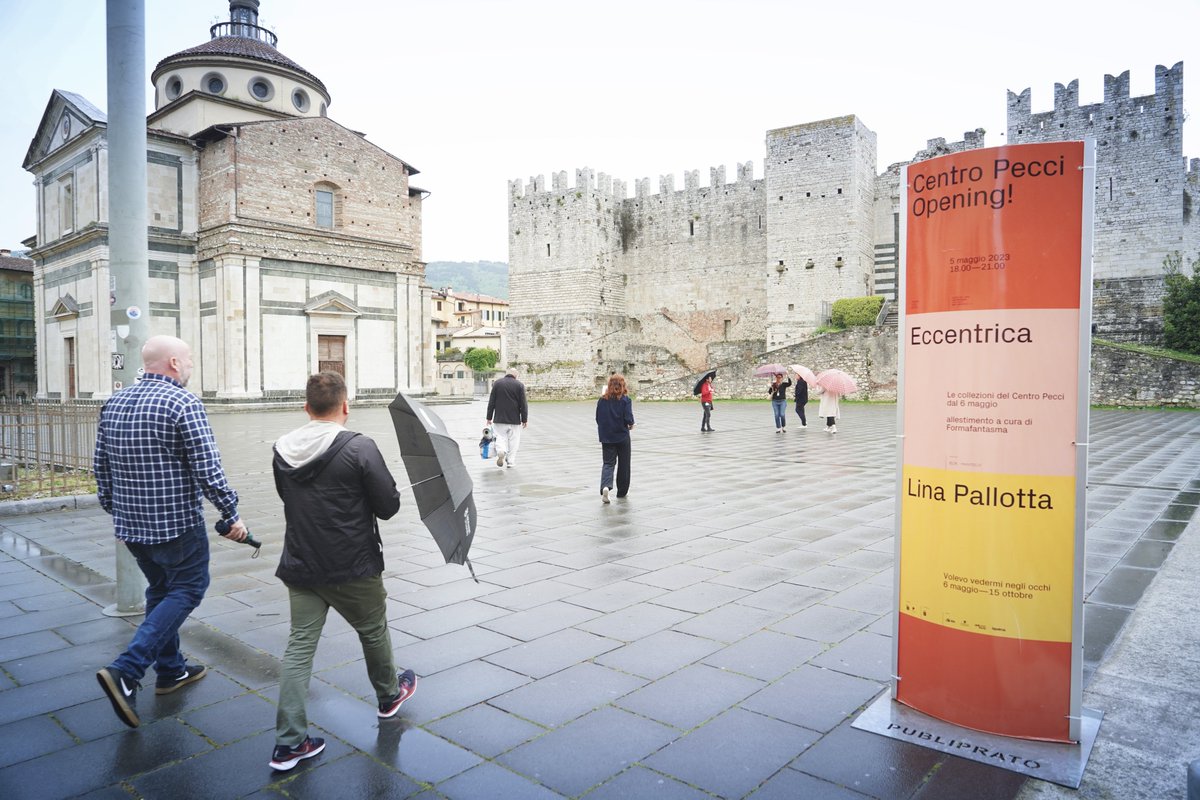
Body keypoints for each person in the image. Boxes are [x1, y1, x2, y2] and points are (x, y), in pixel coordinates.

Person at [94, 335, 248, 729]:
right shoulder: (183, 403)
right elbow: (208, 469)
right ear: (175, 363)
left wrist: (117, 511)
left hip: (132, 526)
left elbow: (102, 468)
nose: (192, 365)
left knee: (161, 590)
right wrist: (231, 514)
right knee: (188, 589)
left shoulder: (114, 402)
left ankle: (171, 670)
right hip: (176, 525)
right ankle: (127, 669)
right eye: (190, 358)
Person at [269, 372, 417, 771]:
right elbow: (388, 507)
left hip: (301, 562)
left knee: (299, 648)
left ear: (306, 407)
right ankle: (389, 696)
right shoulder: (360, 447)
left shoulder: (282, 449)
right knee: (373, 630)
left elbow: (287, 496)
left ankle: (289, 743)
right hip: (353, 563)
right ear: (346, 406)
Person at [595, 373, 635, 503]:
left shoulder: (602, 400)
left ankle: (605, 486)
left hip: (607, 437)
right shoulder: (625, 400)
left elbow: (598, 418)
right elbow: (628, 418)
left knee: (608, 463)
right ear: (623, 385)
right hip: (622, 436)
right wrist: (631, 424)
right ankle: (622, 491)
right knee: (624, 464)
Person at [486, 367, 528, 468]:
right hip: (514, 419)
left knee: (500, 437)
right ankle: (510, 461)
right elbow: (523, 404)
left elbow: (491, 401)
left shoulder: (497, 383)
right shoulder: (519, 385)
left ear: (506, 374)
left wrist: (489, 417)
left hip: (499, 418)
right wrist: (524, 419)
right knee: (514, 441)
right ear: (516, 375)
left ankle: (501, 450)